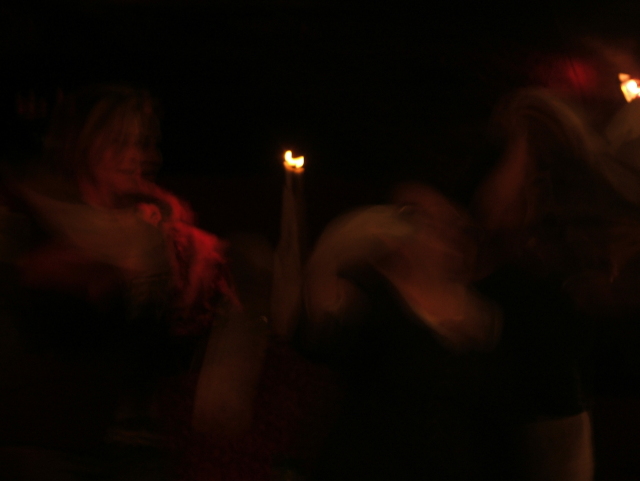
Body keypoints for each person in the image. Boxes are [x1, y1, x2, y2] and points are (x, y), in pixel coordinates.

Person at [0, 84, 235, 480]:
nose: (138, 157)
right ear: (84, 147)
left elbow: (166, 351)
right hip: (46, 438)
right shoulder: (42, 220)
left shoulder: (164, 235)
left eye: (145, 143)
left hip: (134, 446)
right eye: (120, 142)